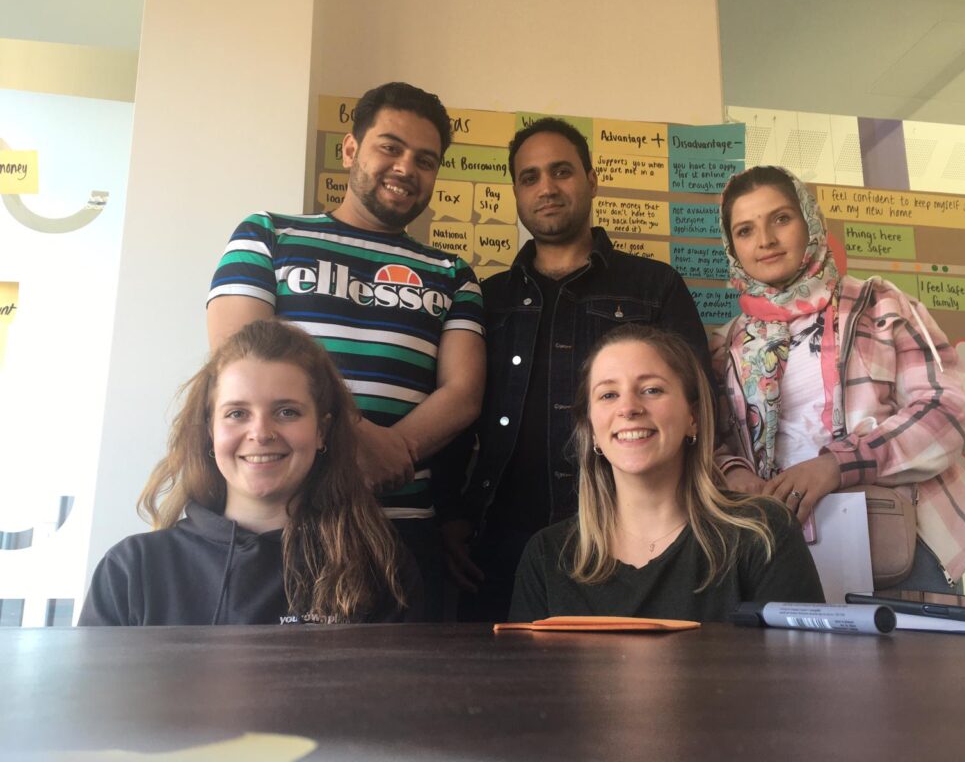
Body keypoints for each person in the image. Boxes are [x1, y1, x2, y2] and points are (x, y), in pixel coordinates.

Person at [206, 82, 485, 619]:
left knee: (402, 699)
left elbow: (464, 392)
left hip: (401, 529)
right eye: (390, 147)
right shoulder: (267, 235)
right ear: (351, 149)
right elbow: (233, 359)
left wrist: (389, 452)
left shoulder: (454, 275)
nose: (406, 167)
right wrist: (356, 440)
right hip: (282, 522)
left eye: (425, 160)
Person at [444, 118, 714, 622]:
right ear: (517, 194)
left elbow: (696, 403)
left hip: (629, 539)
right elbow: (459, 407)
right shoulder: (487, 297)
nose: (546, 187)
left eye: (561, 171)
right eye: (529, 177)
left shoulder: (654, 286)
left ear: (592, 180)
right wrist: (450, 516)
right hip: (495, 545)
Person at [712, 165, 965, 590]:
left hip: (896, 538)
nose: (765, 241)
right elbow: (707, 440)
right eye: (744, 230)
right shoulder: (727, 346)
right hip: (777, 550)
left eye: (781, 218)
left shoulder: (880, 304)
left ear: (809, 221)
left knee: (916, 658)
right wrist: (734, 472)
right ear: (732, 247)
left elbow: (950, 412)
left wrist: (838, 464)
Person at [79, 319, 423, 626]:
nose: (261, 433)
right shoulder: (132, 569)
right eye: (237, 414)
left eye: (287, 412)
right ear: (210, 432)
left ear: (321, 431)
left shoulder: (380, 566)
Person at [509, 325, 823, 622]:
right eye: (608, 395)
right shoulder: (548, 556)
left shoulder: (764, 534)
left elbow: (802, 676)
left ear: (694, 418)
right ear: (591, 430)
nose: (628, 408)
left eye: (651, 389)